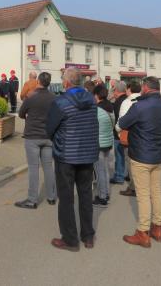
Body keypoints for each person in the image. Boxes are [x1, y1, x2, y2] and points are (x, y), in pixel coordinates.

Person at [46, 67, 99, 251]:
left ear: (67, 82)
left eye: (62, 79)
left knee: (66, 198)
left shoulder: (60, 102)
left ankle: (70, 239)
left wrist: (59, 141)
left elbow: (50, 129)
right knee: (85, 196)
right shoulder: (92, 100)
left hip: (66, 156)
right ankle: (88, 236)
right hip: (87, 154)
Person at [119, 76, 161, 248]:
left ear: (146, 88)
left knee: (142, 195)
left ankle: (142, 232)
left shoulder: (139, 106)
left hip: (141, 154)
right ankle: (158, 227)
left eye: (142, 87)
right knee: (156, 192)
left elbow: (122, 123)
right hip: (157, 154)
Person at [15, 72, 57, 209]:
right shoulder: (54, 98)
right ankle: (51, 197)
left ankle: (32, 200)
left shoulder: (31, 97)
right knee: (48, 167)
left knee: (33, 168)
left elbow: (21, 114)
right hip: (48, 137)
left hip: (32, 136)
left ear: (38, 81)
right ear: (49, 82)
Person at [115, 81, 142, 197]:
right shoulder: (143, 100)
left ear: (129, 89)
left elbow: (122, 121)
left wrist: (117, 130)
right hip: (142, 135)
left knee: (131, 162)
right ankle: (139, 184)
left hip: (129, 135)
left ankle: (133, 187)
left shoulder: (126, 102)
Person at [92, 84, 114, 207]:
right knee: (105, 170)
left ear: (96, 95)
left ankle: (102, 197)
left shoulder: (97, 109)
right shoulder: (110, 106)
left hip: (99, 143)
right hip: (108, 142)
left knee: (100, 171)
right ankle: (106, 193)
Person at [110, 81, 128, 185]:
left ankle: (119, 176)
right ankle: (124, 175)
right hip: (127, 131)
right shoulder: (127, 99)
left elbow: (116, 118)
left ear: (116, 90)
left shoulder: (118, 102)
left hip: (119, 132)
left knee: (119, 155)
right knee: (125, 155)